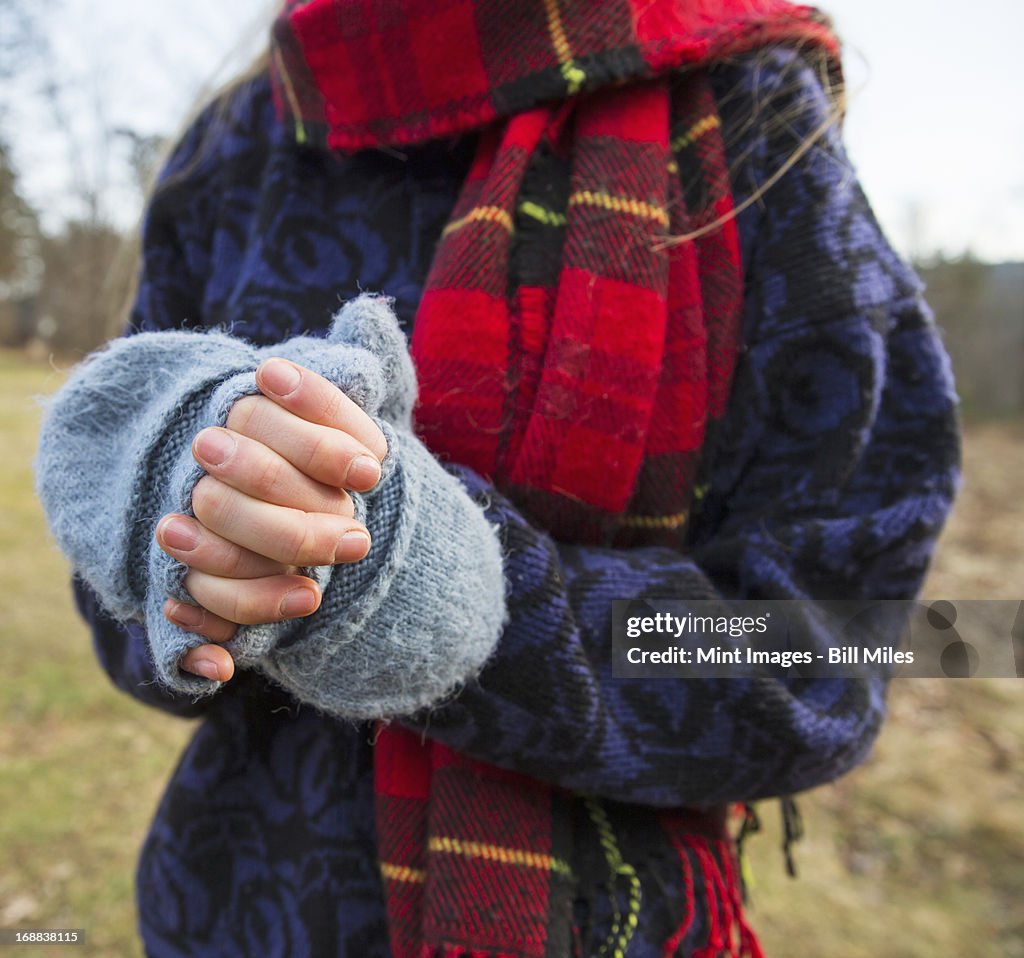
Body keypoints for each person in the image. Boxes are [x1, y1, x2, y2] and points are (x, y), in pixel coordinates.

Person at [35, 0, 960, 955]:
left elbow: (857, 649)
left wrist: (462, 597)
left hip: (608, 926)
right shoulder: (243, 139)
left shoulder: (752, 119)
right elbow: (118, 630)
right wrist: (182, 529)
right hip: (234, 916)